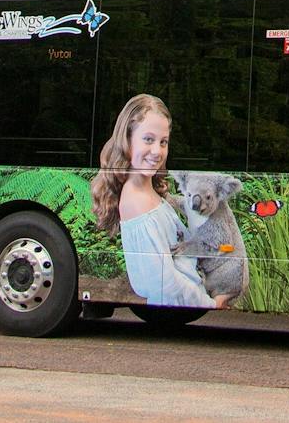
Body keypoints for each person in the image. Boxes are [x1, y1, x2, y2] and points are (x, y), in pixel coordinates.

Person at [90, 93, 218, 308]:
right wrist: (211, 304)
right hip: (184, 301)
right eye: (148, 139)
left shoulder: (152, 192)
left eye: (163, 142)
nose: (157, 151)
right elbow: (164, 284)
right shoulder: (137, 203)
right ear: (127, 140)